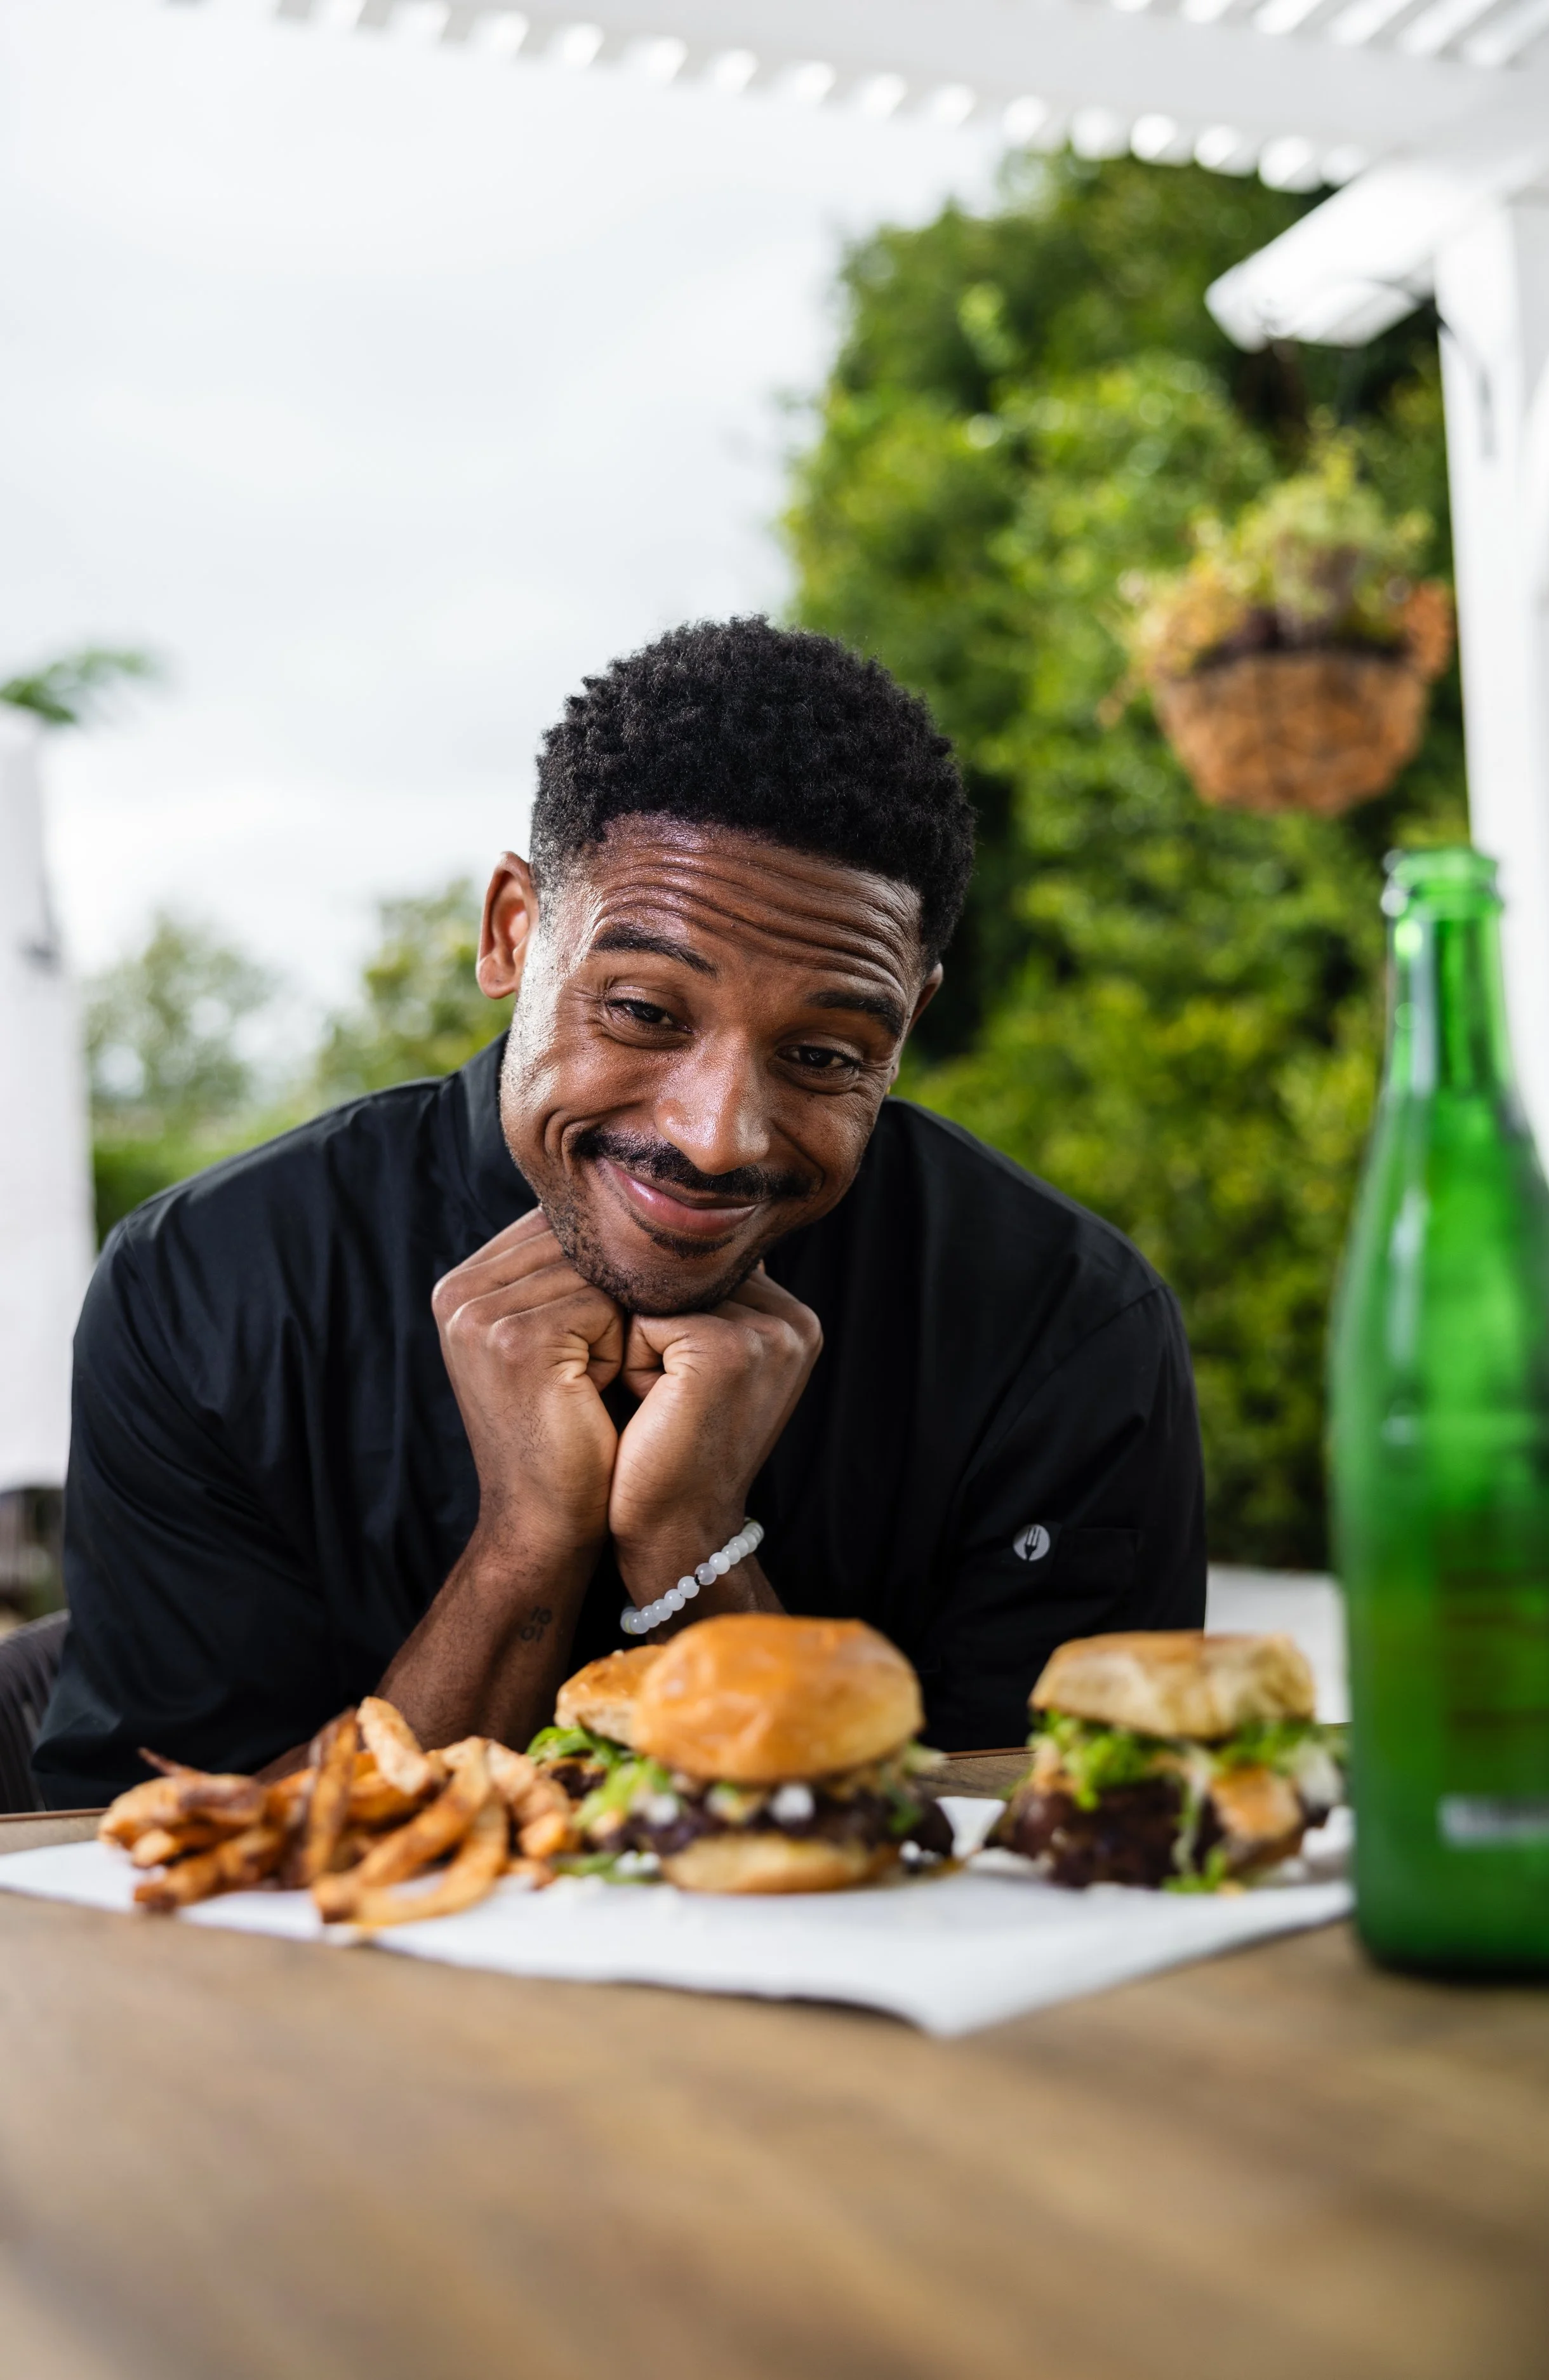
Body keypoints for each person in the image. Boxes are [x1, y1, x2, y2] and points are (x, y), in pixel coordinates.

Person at [34, 620, 1204, 1808]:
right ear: (511, 931)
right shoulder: (207, 1289)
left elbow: (1076, 1861)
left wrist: (694, 1545)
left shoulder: (1066, 1331)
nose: (717, 1136)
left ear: (909, 1021)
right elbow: (131, 1854)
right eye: (644, 1010)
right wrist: (522, 1553)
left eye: (821, 1054)